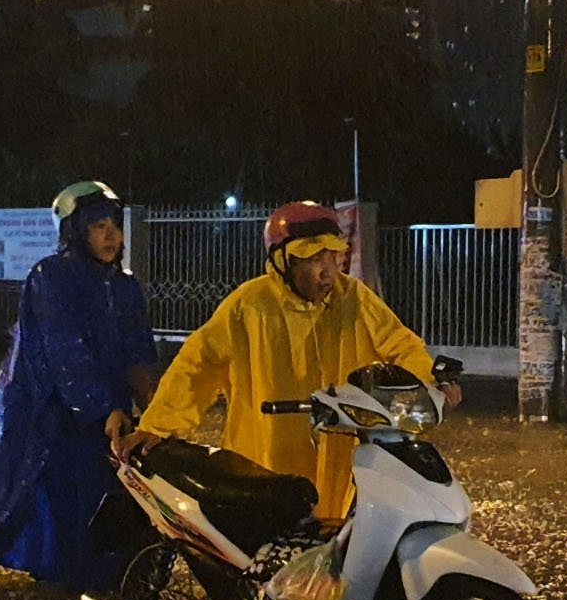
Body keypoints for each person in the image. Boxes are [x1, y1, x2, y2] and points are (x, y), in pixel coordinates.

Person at [115, 201, 457, 522]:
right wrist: (157, 425)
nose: (327, 272)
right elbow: (197, 366)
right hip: (264, 458)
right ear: (283, 262)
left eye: (331, 257)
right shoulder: (248, 306)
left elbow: (401, 345)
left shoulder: (353, 298)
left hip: (339, 455)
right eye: (312, 259)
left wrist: (429, 387)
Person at [0, 181, 158, 591]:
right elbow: (64, 350)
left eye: (114, 225)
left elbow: (138, 350)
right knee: (32, 498)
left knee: (110, 498)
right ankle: (17, 575)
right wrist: (101, 405)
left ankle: (102, 581)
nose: (111, 235)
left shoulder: (125, 286)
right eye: (98, 226)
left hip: (107, 415)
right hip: (44, 416)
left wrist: (156, 406)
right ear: (75, 231)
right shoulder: (51, 277)